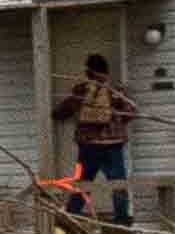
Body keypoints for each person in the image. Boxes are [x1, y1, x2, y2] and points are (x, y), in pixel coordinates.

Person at [52, 53, 139, 224]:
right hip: (113, 144)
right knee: (118, 184)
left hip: (88, 145)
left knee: (83, 184)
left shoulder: (81, 90)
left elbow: (60, 113)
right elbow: (130, 113)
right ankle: (121, 221)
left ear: (88, 71)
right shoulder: (116, 90)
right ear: (106, 70)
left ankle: (71, 219)